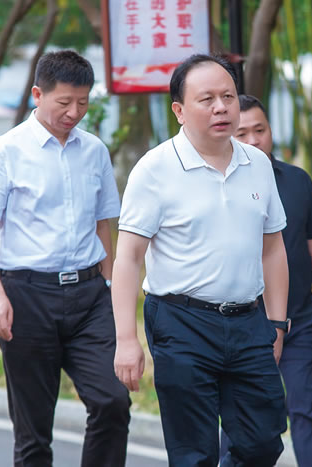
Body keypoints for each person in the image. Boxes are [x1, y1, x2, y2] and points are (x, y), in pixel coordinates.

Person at [112, 54, 289, 466]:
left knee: (263, 442)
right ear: (179, 110)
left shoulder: (257, 163)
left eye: (228, 96)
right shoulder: (154, 169)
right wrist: (126, 340)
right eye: (206, 99)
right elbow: (128, 258)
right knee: (193, 451)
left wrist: (277, 322)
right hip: (181, 322)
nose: (221, 107)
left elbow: (273, 247)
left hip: (249, 321)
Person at [0, 50, 130, 466]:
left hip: (90, 296)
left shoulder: (94, 151)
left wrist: (110, 287)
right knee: (34, 432)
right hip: (27, 297)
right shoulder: (4, 152)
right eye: (64, 102)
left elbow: (103, 226)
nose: (74, 112)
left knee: (112, 401)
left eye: (83, 102)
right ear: (38, 95)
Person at [219, 94, 312, 466]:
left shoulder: (297, 181)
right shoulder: (217, 185)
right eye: (243, 133)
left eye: (261, 130)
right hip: (241, 323)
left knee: (307, 410)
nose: (254, 140)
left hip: (299, 320)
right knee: (241, 419)